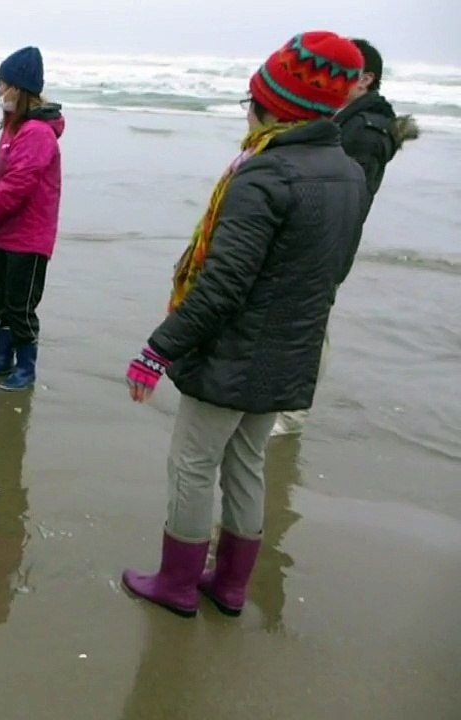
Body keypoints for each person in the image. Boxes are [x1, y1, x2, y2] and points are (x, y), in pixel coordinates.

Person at [120, 31, 370, 618]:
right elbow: (334, 269)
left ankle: (178, 583)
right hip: (293, 348)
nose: (247, 112)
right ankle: (230, 586)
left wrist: (158, 349)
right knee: (248, 461)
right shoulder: (348, 172)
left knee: (193, 462)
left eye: (251, 100)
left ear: (275, 105)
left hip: (234, 353)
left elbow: (223, 285)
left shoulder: (265, 175)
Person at [270, 37, 419, 437]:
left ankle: (293, 413)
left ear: (366, 78)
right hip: (317, 237)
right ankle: (282, 402)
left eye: (342, 74)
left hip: (327, 242)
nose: (330, 81)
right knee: (300, 321)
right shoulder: (347, 119)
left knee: (312, 325)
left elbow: (349, 198)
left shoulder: (365, 131)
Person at [0, 45, 65, 392]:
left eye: (3, 85)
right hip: (6, 234)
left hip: (29, 237)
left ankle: (26, 368)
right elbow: (6, 171)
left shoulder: (37, 133)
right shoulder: (14, 128)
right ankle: (1, 359)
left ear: (19, 89)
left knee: (20, 306)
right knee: (0, 297)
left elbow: (19, 185)